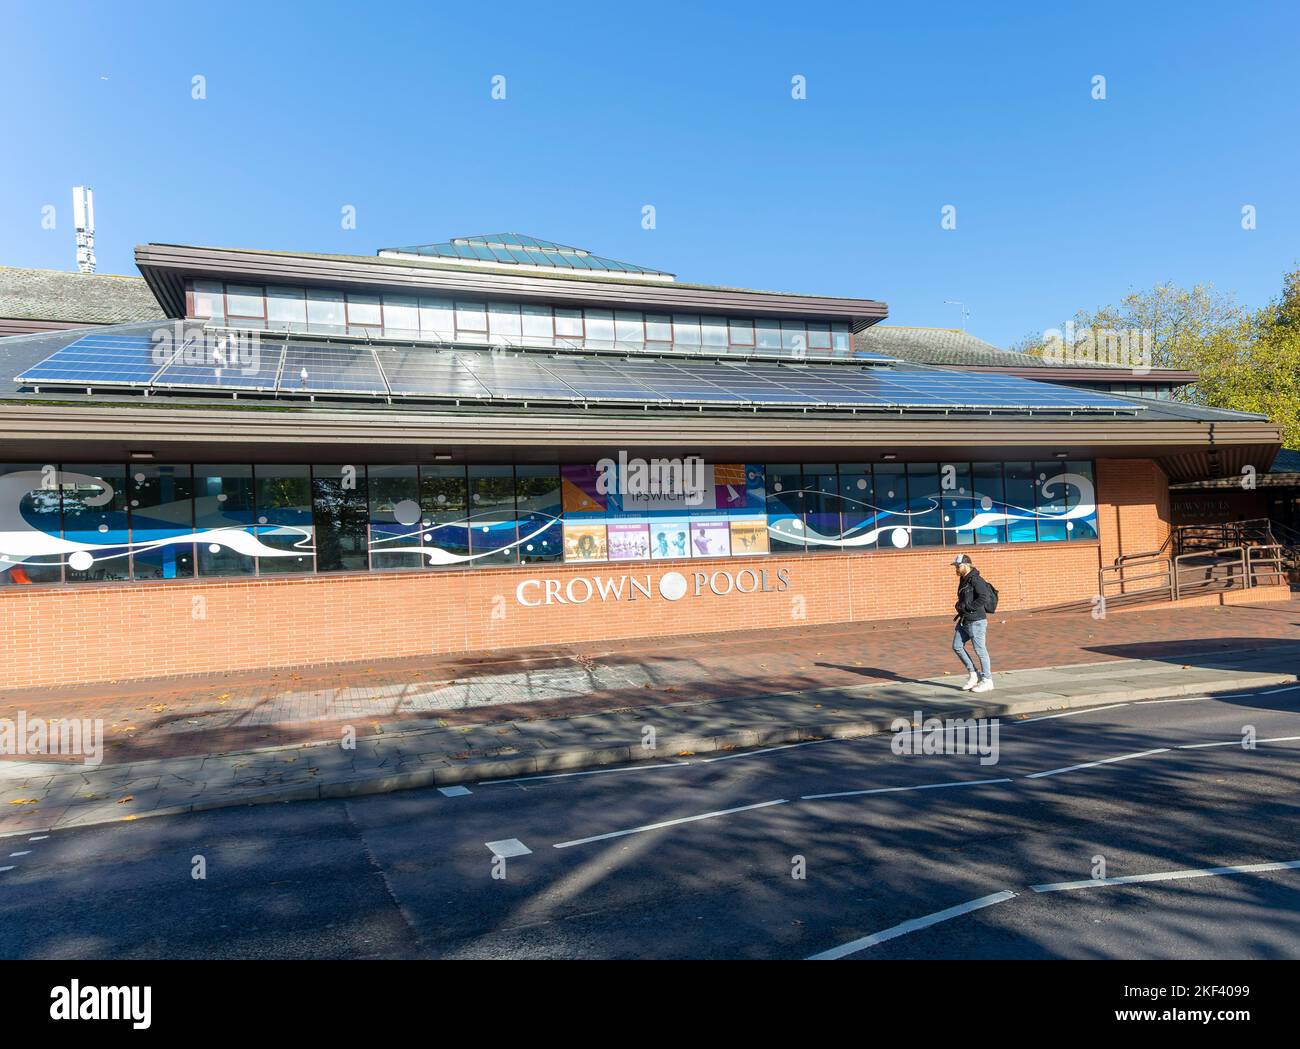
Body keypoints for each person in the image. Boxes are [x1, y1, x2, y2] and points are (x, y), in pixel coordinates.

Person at [951, 554, 995, 692]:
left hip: (976, 621)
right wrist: (959, 605)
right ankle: (973, 674)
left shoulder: (976, 579)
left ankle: (987, 680)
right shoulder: (963, 579)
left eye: (958, 566)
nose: (956, 568)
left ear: (966, 565)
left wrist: (969, 607)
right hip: (964, 620)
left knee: (980, 650)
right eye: (956, 566)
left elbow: (984, 597)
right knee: (957, 646)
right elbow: (964, 598)